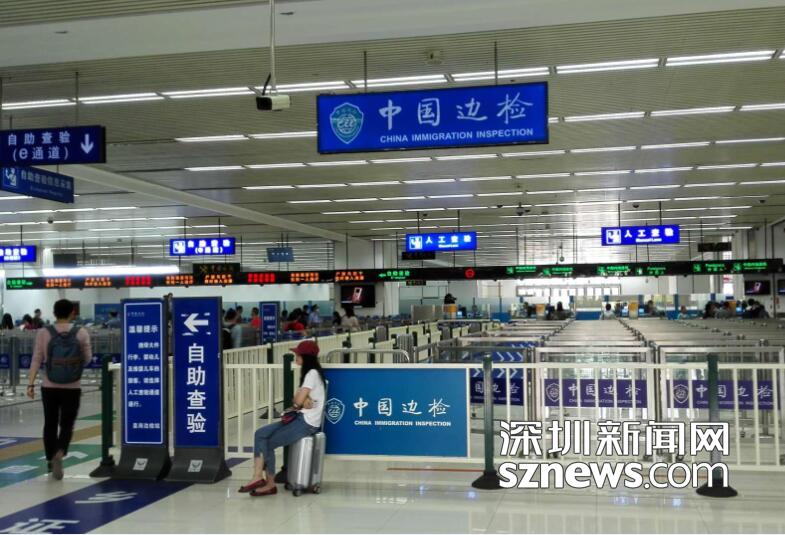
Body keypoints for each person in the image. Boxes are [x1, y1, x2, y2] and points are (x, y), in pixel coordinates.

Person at [240, 340, 325, 497]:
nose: (295, 356)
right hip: (299, 418)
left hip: (306, 423)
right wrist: (302, 399)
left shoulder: (311, 374)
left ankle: (268, 483)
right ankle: (258, 477)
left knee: (266, 443)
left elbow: (297, 401)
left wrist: (301, 399)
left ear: (306, 357)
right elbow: (297, 400)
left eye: (298, 354)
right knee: (260, 434)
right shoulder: (310, 374)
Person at [26, 299, 92, 480]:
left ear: (54, 313)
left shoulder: (43, 332)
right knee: (67, 423)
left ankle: (50, 457)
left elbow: (36, 359)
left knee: (50, 422)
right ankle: (60, 452)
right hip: (73, 386)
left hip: (49, 386)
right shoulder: (81, 332)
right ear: (72, 313)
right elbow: (88, 359)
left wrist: (30, 384)